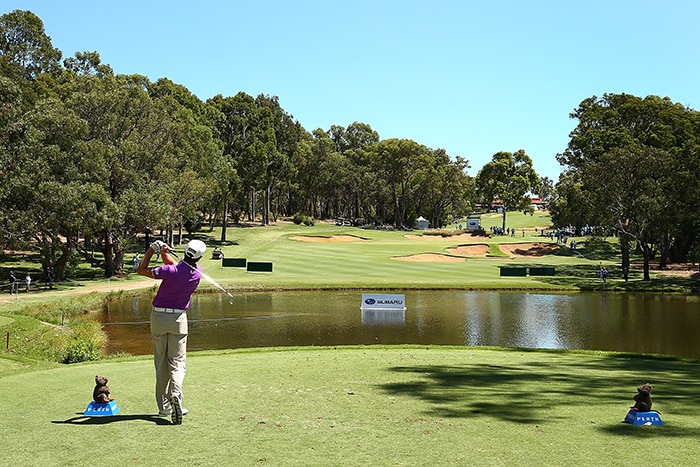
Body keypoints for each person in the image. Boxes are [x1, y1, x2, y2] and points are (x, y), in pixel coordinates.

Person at [137, 238, 207, 425]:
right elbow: (176, 267)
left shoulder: (169, 271)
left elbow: (141, 270)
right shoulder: (197, 274)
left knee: (161, 362)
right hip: (178, 320)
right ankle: (176, 395)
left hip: (159, 318)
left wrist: (153, 250)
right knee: (177, 362)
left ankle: (164, 407)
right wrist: (164, 252)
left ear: (185, 251)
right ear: (199, 258)